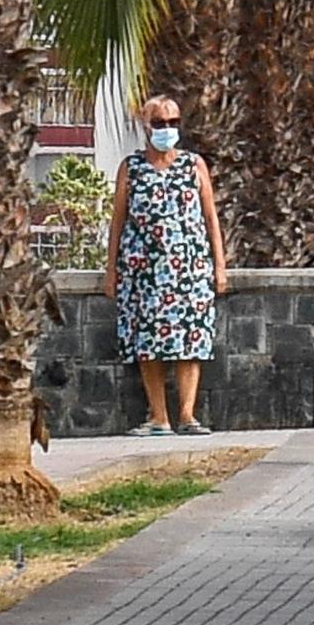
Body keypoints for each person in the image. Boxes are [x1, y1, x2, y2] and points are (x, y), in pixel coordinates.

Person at [104, 94, 229, 437]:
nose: (167, 129)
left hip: (189, 268)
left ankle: (187, 416)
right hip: (143, 270)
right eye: (159, 123)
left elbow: (210, 217)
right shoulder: (131, 168)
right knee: (148, 343)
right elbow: (118, 221)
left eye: (173, 122)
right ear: (146, 126)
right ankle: (159, 417)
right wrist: (111, 269)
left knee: (190, 340)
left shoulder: (193, 165)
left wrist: (219, 266)